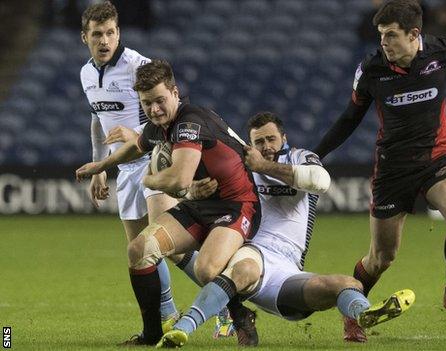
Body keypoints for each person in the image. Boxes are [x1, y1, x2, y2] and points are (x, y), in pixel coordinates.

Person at [312, 0, 446, 342]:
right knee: (382, 257)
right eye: (381, 36)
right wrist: (316, 155)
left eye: (391, 35)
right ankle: (353, 312)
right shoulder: (372, 69)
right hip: (393, 170)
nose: (384, 43)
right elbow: (350, 118)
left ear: (414, 35)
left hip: (437, 158)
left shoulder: (444, 52)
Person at [157, 112, 416, 348]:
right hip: (249, 253)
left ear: (284, 138)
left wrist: (263, 167)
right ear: (250, 144)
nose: (266, 147)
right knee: (180, 250)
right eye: (259, 142)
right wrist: (190, 190)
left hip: (287, 271)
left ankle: (363, 314)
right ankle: (183, 328)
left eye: (271, 139)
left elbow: (321, 181)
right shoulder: (239, 166)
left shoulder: (299, 158)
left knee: (347, 284)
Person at [76, 59, 261, 345]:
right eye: (147, 103)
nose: (154, 109)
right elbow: (136, 146)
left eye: (160, 100)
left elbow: (177, 180)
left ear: (175, 93)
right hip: (199, 206)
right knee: (139, 249)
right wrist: (101, 165)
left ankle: (239, 314)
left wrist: (149, 179)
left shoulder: (189, 122)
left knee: (207, 269)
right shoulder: (160, 126)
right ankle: (151, 335)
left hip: (236, 205)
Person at [78, 0, 182, 335]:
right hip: (124, 169)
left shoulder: (139, 66)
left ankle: (227, 306)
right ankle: (169, 315)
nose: (105, 40)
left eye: (110, 32)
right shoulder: (86, 74)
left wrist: (136, 133)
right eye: (97, 34)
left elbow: (173, 113)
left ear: (119, 32)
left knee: (173, 247)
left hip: (154, 158)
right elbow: (98, 120)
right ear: (85, 38)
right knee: (140, 252)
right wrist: (99, 168)